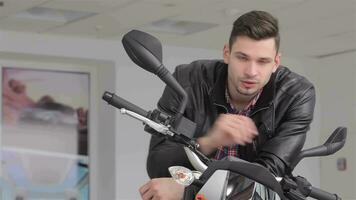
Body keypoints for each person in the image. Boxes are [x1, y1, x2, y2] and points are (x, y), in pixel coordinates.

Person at [139, 10, 315, 200]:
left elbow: (267, 178)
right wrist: (209, 141)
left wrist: (189, 193)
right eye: (242, 58)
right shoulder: (188, 81)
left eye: (263, 61)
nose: (251, 71)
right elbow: (157, 164)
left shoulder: (296, 95)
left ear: (276, 63)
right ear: (227, 53)